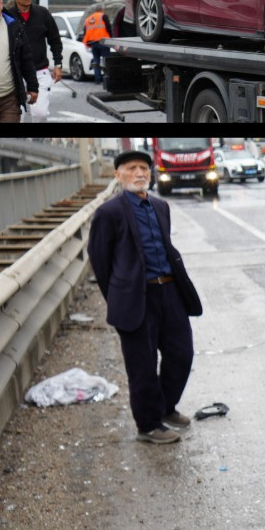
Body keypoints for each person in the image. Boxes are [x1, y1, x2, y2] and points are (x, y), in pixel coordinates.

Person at [87, 150, 203, 444]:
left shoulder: (161, 206)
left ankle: (165, 408)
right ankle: (148, 425)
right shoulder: (109, 212)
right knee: (142, 364)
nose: (139, 173)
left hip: (169, 290)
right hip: (136, 296)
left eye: (144, 168)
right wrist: (117, 296)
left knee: (181, 353)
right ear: (118, 175)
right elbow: (100, 260)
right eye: (131, 168)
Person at [6, 0, 61, 123]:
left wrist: (58, 64)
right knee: (20, 115)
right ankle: (20, 145)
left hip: (40, 71)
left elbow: (55, 39)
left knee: (40, 114)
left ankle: (38, 142)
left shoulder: (43, 14)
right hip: (16, 73)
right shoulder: (8, 17)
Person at [81, 3, 113, 84]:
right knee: (106, 61)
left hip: (93, 43)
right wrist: (112, 38)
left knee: (96, 61)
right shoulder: (103, 16)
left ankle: (97, 79)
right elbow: (109, 27)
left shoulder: (88, 19)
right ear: (102, 9)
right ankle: (107, 78)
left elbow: (85, 32)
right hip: (103, 42)